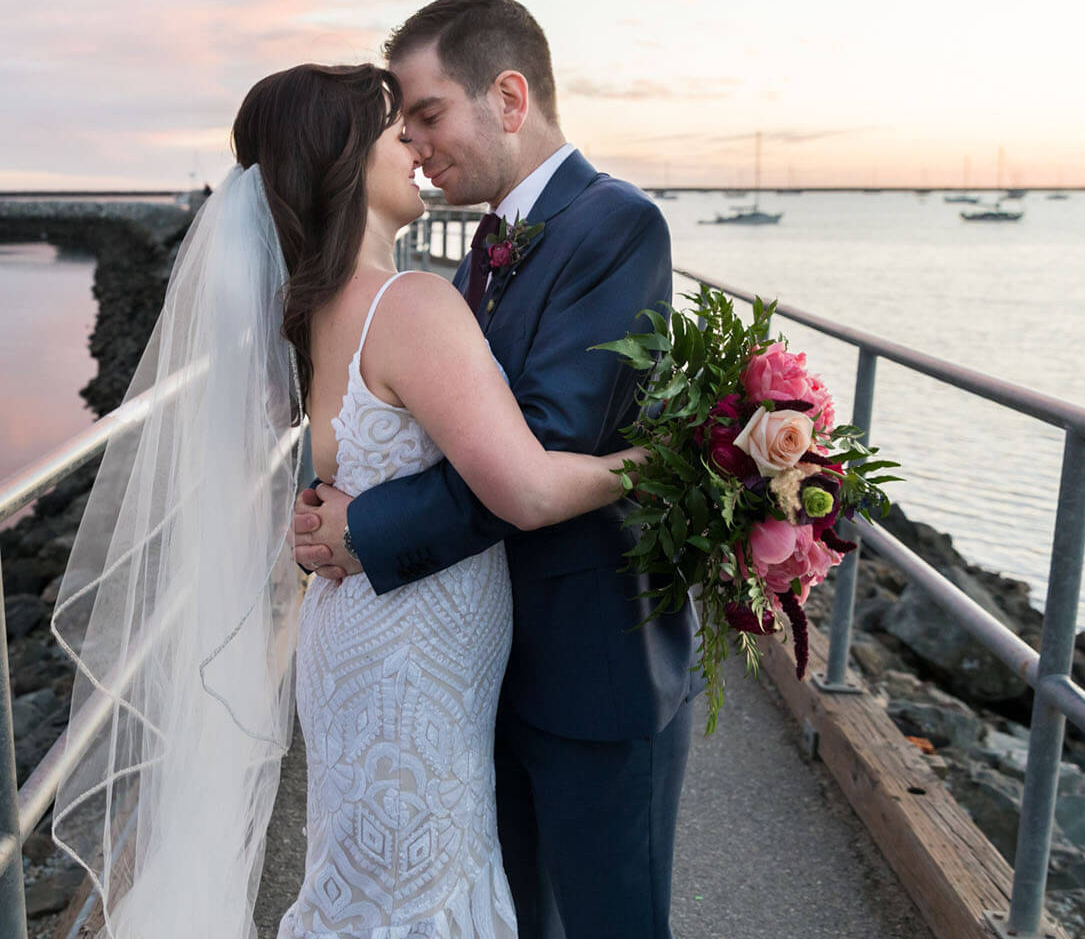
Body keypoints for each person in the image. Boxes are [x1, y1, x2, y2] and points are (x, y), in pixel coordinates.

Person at [50, 58, 645, 939]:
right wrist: (670, 460)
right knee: (413, 896)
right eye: (391, 130)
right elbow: (522, 488)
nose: (412, 142)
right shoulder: (409, 305)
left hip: (364, 642)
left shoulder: (317, 312)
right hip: (409, 662)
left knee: (367, 891)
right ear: (342, 162)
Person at [293, 0, 700, 939]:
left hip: (590, 667)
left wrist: (370, 526)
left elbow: (548, 444)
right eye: (402, 126)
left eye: (428, 113)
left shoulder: (616, 225)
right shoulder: (480, 250)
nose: (418, 143)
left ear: (509, 98)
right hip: (478, 669)